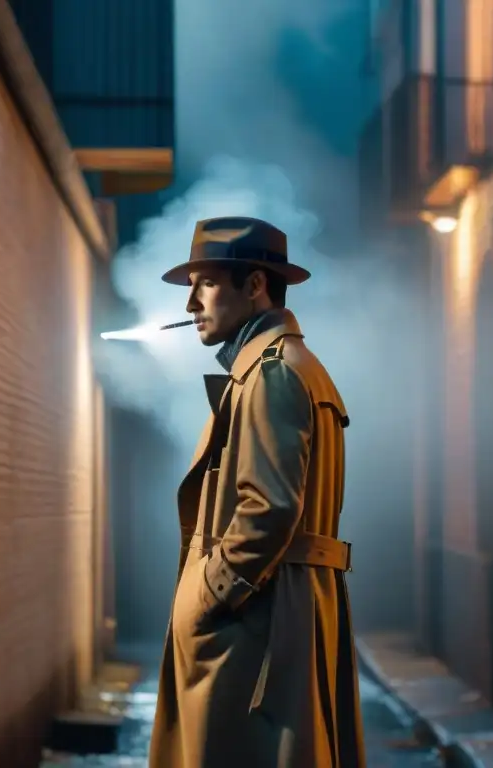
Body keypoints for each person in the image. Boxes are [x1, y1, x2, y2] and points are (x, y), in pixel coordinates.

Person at [148, 216, 366, 768]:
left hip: (258, 629)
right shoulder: (281, 368)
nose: (192, 302)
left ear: (255, 285)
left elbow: (269, 510)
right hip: (274, 615)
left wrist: (208, 597)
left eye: (208, 282)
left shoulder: (272, 373)